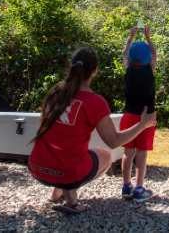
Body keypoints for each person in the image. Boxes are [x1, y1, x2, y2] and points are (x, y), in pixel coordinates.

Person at [27, 47, 156, 214]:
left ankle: (57, 191)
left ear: (72, 65)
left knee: (66, 146)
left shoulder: (57, 90)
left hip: (37, 168)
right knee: (105, 156)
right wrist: (143, 124)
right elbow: (114, 141)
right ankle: (70, 197)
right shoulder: (94, 101)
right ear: (95, 71)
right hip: (66, 172)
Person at [119, 25, 158, 202]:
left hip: (128, 116)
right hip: (146, 118)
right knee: (141, 153)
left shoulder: (128, 70)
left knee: (128, 152)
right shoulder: (150, 70)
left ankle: (126, 187)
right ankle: (139, 189)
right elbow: (155, 55)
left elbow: (124, 55)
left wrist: (131, 38)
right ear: (148, 58)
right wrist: (148, 37)